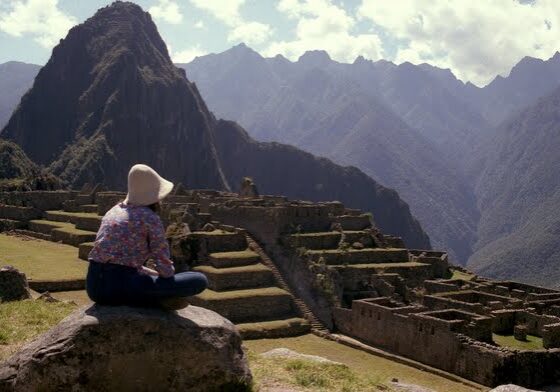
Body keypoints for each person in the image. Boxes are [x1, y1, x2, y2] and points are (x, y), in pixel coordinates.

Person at [86, 164, 208, 308]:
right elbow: (165, 268)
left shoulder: (112, 212)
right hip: (120, 288)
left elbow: (117, 262)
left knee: (150, 278)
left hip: (94, 287)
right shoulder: (150, 217)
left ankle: (150, 295)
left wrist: (150, 273)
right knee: (199, 280)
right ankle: (156, 299)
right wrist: (163, 279)